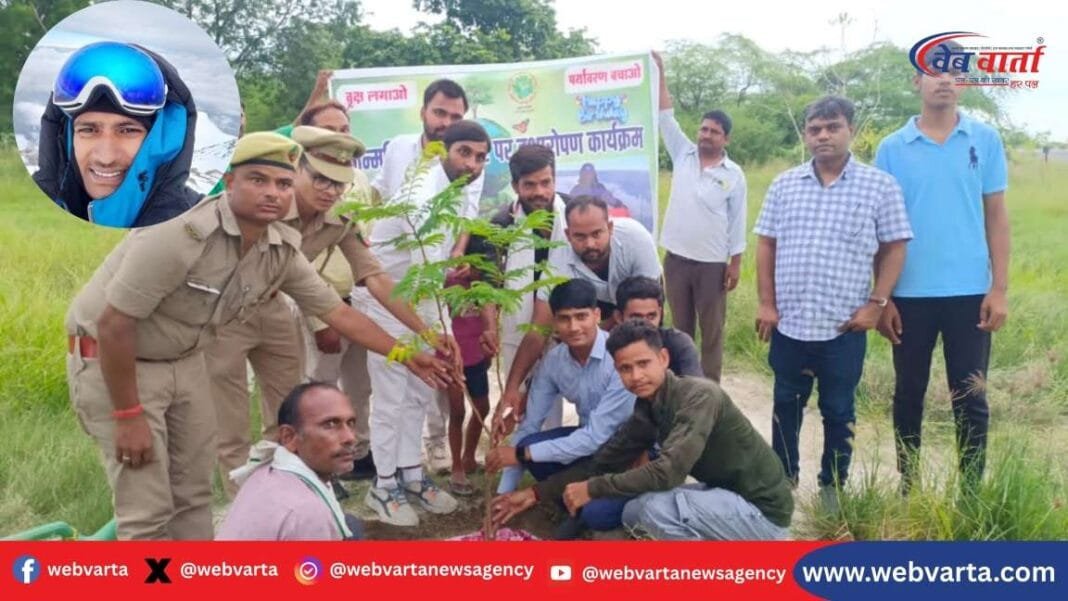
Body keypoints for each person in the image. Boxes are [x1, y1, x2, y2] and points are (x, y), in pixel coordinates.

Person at [64, 132, 451, 539]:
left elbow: (335, 310)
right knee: (147, 511)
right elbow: (114, 324)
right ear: (230, 182)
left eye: (282, 184)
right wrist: (128, 415)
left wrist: (409, 355)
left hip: (185, 361)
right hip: (117, 365)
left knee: (194, 496)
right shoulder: (179, 230)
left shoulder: (278, 246)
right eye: (258, 180)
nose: (273, 193)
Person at [490, 320, 794, 540]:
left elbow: (668, 473)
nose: (636, 376)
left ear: (663, 359)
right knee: (633, 511)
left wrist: (592, 489)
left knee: (652, 510)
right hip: (724, 496)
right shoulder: (648, 407)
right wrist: (534, 493)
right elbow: (604, 461)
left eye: (643, 364)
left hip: (762, 514)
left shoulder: (699, 396)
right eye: (624, 368)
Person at [753, 95, 912, 511]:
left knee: (839, 410)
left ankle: (832, 488)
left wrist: (877, 303)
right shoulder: (785, 184)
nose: (823, 135)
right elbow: (766, 245)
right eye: (814, 129)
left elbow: (895, 247)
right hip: (789, 324)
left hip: (844, 326)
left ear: (851, 130)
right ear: (805, 134)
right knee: (785, 403)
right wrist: (766, 303)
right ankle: (781, 480)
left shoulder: (879, 186)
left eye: (832, 126)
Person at [874, 41, 1010, 494]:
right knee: (908, 393)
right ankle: (908, 483)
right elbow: (880, 228)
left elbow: (996, 216)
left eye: (955, 72)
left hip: (970, 291)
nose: (946, 79)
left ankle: (971, 489)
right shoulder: (893, 148)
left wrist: (999, 289)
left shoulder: (984, 140)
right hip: (908, 294)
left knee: (970, 396)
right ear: (917, 82)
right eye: (935, 72)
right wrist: (884, 296)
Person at [363, 120, 491, 526]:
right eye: (465, 153)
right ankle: (383, 486)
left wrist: (445, 335)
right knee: (390, 399)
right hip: (387, 306)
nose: (473, 164)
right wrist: (434, 335)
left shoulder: (455, 194)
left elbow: (433, 282)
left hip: (421, 301)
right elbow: (423, 273)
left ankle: (412, 476)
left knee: (420, 393)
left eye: (481, 157)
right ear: (442, 150)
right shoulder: (421, 198)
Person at [494, 195, 661, 440]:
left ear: (610, 228)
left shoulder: (636, 239)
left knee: (643, 363)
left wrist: (597, 332)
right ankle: (595, 430)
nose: (590, 244)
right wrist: (511, 389)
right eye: (580, 237)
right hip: (594, 304)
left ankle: (651, 432)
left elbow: (648, 312)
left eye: (597, 234)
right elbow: (538, 330)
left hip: (637, 300)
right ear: (567, 233)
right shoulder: (560, 257)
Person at [487, 279, 636, 501]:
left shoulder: (619, 357)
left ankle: (589, 496)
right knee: (530, 444)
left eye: (581, 317)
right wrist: (504, 491)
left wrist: (519, 454)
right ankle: (569, 492)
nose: (574, 327)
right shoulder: (554, 361)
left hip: (627, 449)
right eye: (564, 319)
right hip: (587, 445)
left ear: (596, 315)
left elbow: (596, 437)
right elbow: (529, 424)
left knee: (598, 515)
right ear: (554, 321)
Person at [653, 51, 747, 382]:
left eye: (714, 132)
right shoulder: (682, 153)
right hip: (676, 259)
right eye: (704, 129)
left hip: (711, 265)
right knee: (680, 330)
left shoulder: (733, 174)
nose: (706, 135)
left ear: (726, 139)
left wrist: (735, 263)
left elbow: (737, 222)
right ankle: (681, 385)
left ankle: (710, 393)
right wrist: (660, 70)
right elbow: (665, 116)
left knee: (712, 332)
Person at [35, 41, 201, 227]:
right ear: (68, 137)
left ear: (158, 138)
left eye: (128, 130)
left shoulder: (203, 220)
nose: (106, 158)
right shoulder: (28, 209)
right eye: (88, 130)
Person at [474, 144, 570, 431]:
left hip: (569, 323)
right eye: (530, 185)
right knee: (525, 403)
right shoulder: (501, 225)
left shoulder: (573, 213)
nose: (539, 192)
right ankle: (535, 460)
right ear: (516, 186)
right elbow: (489, 283)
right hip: (520, 326)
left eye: (546, 182)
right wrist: (490, 327)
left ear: (554, 179)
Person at [217, 383, 363, 540]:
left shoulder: (266, 470)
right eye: (330, 424)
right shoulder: (306, 514)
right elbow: (311, 565)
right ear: (289, 437)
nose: (350, 438)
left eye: (351, 423)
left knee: (351, 524)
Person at [442, 269, 491, 497]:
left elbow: (488, 317)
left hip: (476, 356)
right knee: (457, 411)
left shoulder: (484, 281)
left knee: (483, 407)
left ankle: (469, 457)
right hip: (453, 357)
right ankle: (456, 467)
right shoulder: (448, 282)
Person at [614, 276, 702, 378]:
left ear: (660, 313)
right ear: (619, 317)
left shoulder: (678, 344)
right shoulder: (609, 349)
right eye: (637, 318)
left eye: (651, 316)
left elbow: (696, 389)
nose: (645, 324)